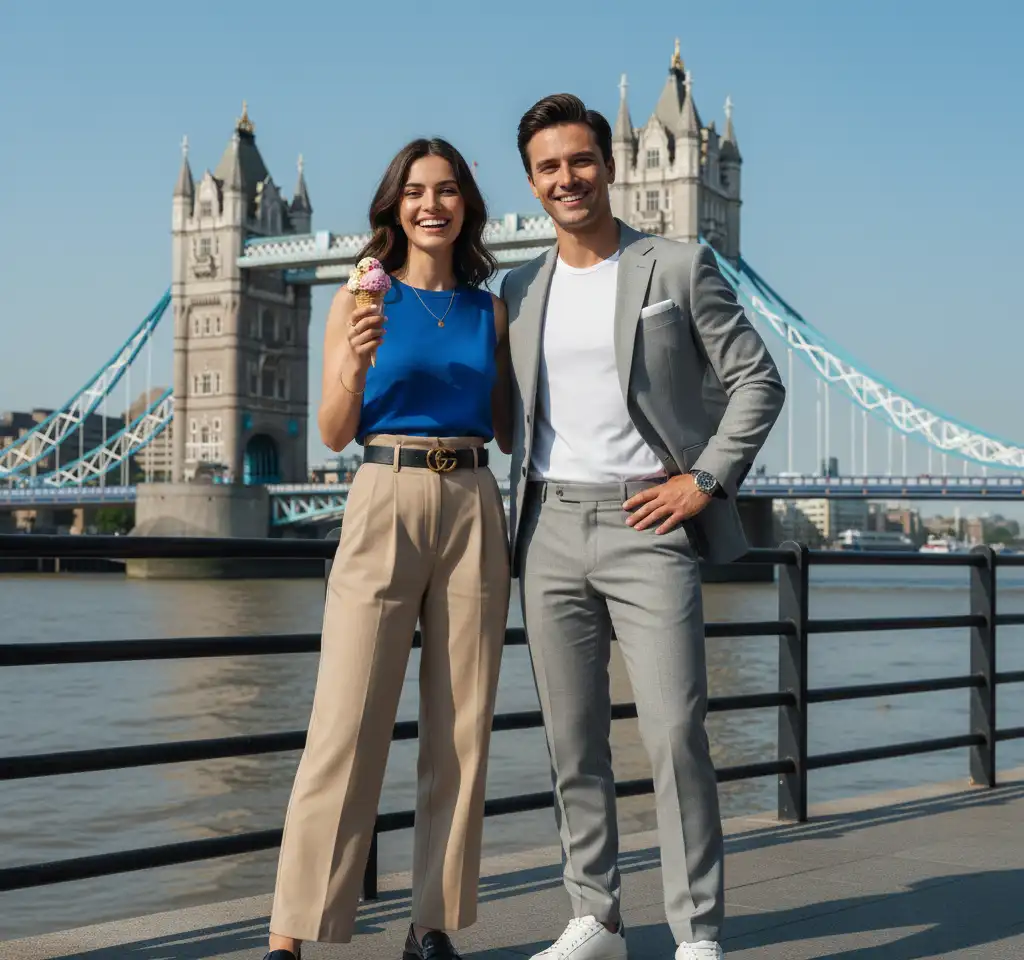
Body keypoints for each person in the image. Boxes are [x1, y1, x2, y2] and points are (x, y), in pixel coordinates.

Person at [499, 95, 785, 960]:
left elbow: (759, 382)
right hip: (547, 523)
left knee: (673, 732)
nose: (566, 179)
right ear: (532, 182)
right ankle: (597, 919)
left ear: (611, 165)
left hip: (647, 519)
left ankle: (697, 934)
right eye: (548, 168)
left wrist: (703, 482)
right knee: (572, 740)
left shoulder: (678, 263)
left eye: (580, 161)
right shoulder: (516, 289)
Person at [264, 137, 513, 960]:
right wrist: (355, 362)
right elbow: (335, 432)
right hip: (382, 490)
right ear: (393, 206)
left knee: (461, 728)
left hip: (474, 499)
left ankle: (431, 926)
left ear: (467, 205)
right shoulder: (359, 298)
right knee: (344, 722)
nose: (431, 205)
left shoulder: (491, 310)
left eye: (446, 191)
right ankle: (291, 932)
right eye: (415, 192)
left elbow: (517, 425)